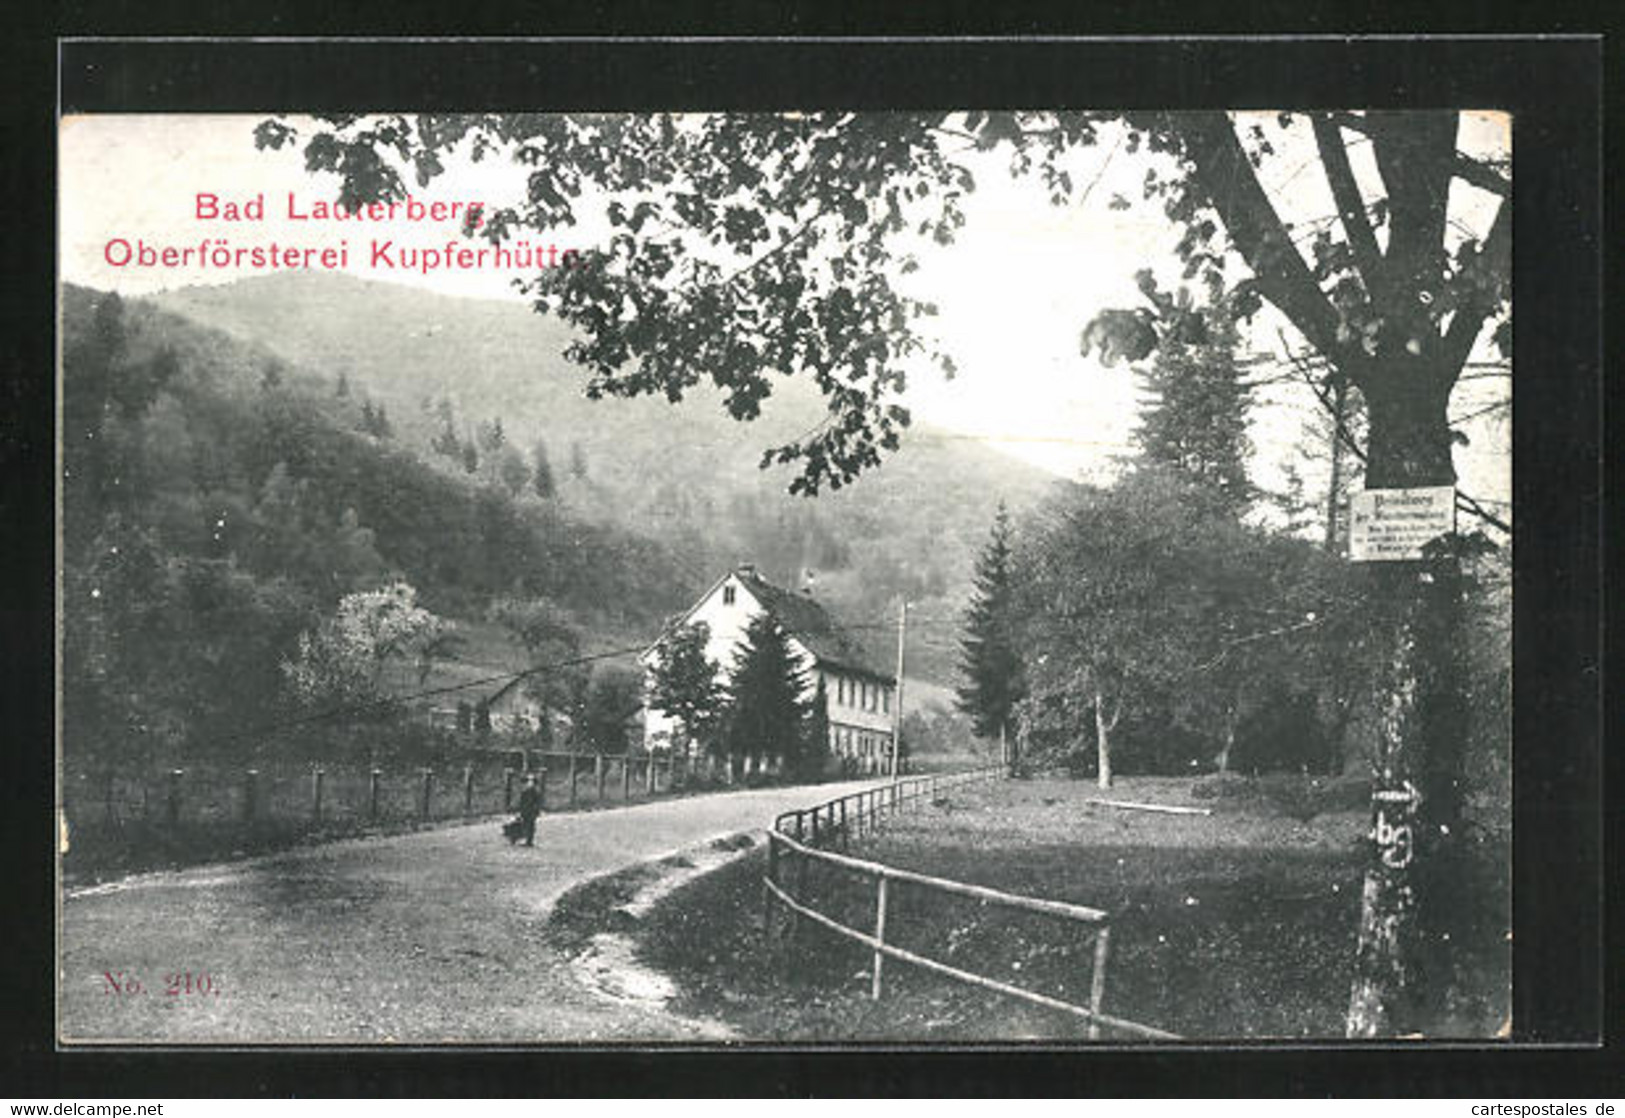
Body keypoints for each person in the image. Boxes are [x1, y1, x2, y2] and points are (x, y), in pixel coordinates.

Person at [517, 774, 542, 847]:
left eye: (532, 781)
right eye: (529, 781)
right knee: (525, 825)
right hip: (525, 811)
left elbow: (538, 802)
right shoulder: (524, 792)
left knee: (531, 825)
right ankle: (526, 839)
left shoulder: (536, 792)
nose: (530, 783)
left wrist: (536, 810)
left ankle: (529, 841)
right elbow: (522, 802)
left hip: (532, 811)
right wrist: (520, 811)